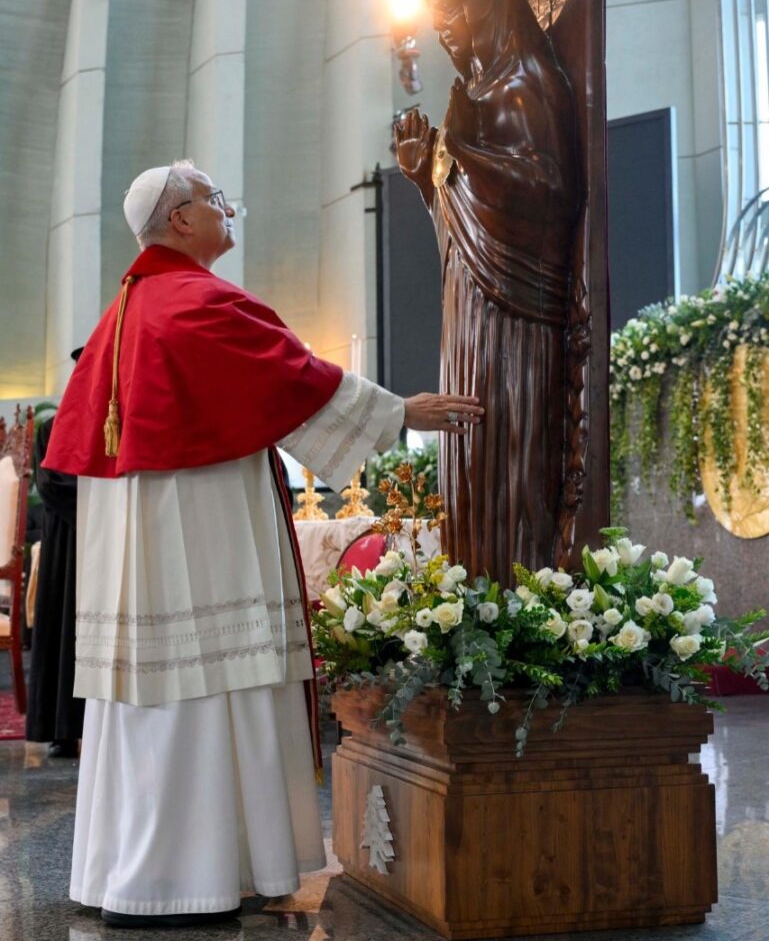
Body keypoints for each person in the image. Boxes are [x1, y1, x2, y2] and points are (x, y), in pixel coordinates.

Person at [43, 159, 483, 928]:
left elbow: (274, 379)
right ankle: (186, 881)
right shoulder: (191, 300)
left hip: (153, 529)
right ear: (180, 220)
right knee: (207, 678)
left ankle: (149, 873)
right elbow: (286, 375)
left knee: (166, 690)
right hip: (196, 528)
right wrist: (398, 412)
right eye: (216, 200)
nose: (229, 209)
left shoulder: (130, 307)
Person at [395, 0, 579, 580]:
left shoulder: (524, 87)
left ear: (485, 7)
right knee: (470, 463)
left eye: (450, 14)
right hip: (470, 302)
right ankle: (474, 601)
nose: (442, 33)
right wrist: (428, 180)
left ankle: (519, 597)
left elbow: (549, 193)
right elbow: (460, 223)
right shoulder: (479, 93)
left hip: (516, 312)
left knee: (509, 454)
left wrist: (453, 156)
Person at [25, 349, 85, 758]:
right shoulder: (52, 427)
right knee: (65, 629)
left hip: (107, 536)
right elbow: (51, 484)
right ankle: (63, 727)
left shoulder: (117, 420)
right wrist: (103, 512)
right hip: (70, 540)